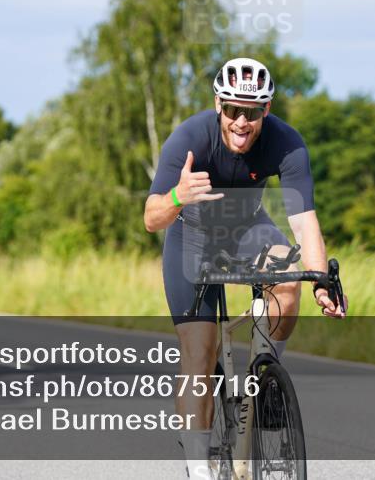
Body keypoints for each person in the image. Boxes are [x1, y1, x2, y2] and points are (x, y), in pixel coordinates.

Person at [144, 57, 345, 478]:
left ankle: (266, 376)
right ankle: (199, 467)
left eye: (251, 112)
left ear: (265, 111)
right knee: (199, 353)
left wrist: (321, 283)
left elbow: (303, 221)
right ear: (218, 104)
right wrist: (178, 197)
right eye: (233, 109)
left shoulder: (286, 143)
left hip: (247, 226)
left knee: (287, 283)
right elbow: (151, 218)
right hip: (192, 238)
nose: (241, 121)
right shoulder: (190, 138)